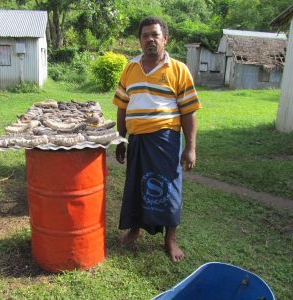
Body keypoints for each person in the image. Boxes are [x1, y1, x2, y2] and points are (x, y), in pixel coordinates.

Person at [113, 16, 201, 262]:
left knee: (169, 188)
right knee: (135, 186)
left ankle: (170, 240)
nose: (150, 39)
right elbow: (122, 106)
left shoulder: (178, 70)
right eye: (145, 35)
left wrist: (191, 147)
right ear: (139, 40)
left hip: (166, 140)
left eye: (155, 35)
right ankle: (134, 231)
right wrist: (122, 139)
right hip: (137, 140)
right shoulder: (130, 68)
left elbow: (189, 111)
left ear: (165, 38)